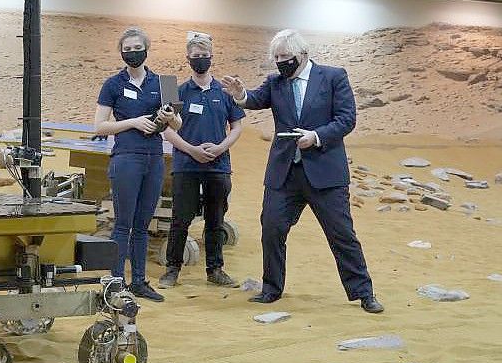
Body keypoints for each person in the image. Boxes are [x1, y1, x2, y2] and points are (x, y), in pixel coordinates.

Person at [221, 29, 384, 313]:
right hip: (285, 173)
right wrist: (240, 95)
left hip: (325, 173)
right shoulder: (276, 82)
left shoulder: (333, 77)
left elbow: (347, 119)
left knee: (342, 234)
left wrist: (317, 136)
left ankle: (363, 293)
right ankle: (271, 288)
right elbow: (255, 99)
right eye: (276, 57)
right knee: (271, 229)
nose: (281, 62)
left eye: (285, 57)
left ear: (303, 55)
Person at [94, 26, 181, 302]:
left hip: (153, 158)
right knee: (123, 224)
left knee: (143, 225)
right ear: (121, 52)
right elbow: (99, 125)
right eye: (127, 49)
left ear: (147, 49)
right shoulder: (113, 84)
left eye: (137, 48)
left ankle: (140, 282)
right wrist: (132, 122)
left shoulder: (165, 83)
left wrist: (168, 116)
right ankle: (116, 283)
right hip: (126, 158)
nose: (132, 53)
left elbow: (177, 124)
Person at [158, 32, 245, 289]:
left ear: (212, 58)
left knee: (216, 219)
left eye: (204, 56)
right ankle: (172, 270)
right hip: (186, 165)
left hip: (218, 166)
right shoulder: (176, 91)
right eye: (195, 56)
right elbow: (166, 128)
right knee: (181, 218)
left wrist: (220, 148)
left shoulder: (225, 92)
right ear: (188, 59)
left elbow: (237, 127)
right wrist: (191, 150)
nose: (200, 60)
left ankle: (215, 270)